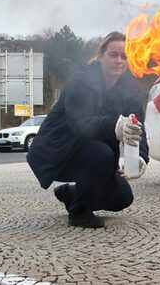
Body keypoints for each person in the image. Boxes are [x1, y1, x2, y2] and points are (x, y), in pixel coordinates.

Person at [27, 31, 149, 228]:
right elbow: (80, 123)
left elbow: (137, 126)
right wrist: (114, 125)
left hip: (98, 155)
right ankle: (79, 213)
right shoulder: (80, 81)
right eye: (113, 55)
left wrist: (141, 156)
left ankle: (72, 194)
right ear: (100, 56)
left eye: (124, 56)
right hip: (63, 150)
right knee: (102, 153)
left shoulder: (130, 89)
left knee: (122, 198)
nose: (119, 60)